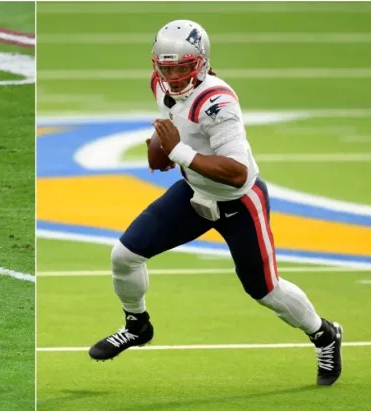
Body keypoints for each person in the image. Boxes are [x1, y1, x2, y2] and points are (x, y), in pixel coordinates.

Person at [87, 19, 343, 386]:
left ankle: (325, 334)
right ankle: (137, 325)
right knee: (124, 256)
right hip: (193, 193)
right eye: (167, 67)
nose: (173, 76)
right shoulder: (159, 84)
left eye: (182, 67)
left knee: (265, 291)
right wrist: (160, 145)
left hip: (239, 202)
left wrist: (177, 150)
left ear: (201, 62)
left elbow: (237, 172)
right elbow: (172, 124)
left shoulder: (217, 103)